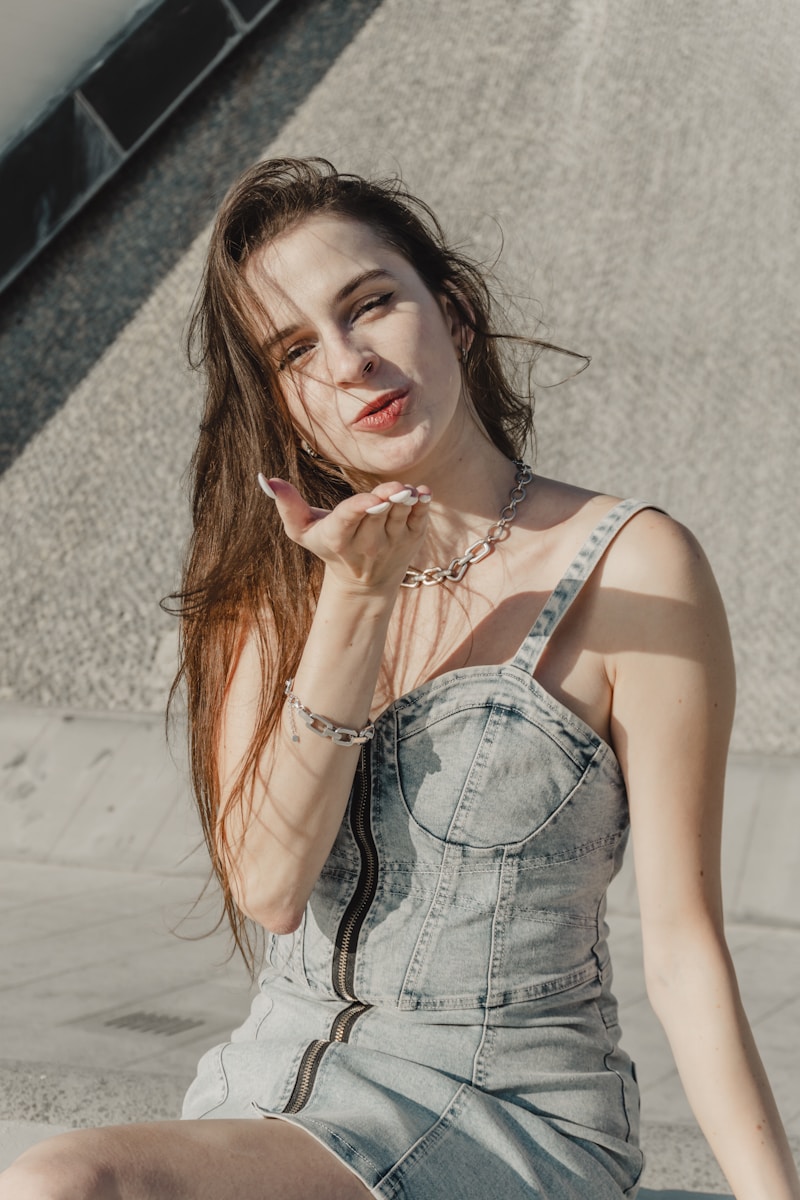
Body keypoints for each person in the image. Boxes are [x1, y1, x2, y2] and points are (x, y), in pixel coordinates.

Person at [2, 157, 798, 1200]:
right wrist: (355, 600)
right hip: (273, 1092)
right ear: (282, 402)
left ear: (453, 313)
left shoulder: (631, 565)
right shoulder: (273, 586)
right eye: (295, 350)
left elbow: (684, 949)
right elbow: (268, 888)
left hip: (510, 1115)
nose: (348, 362)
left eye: (369, 304)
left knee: (67, 1181)